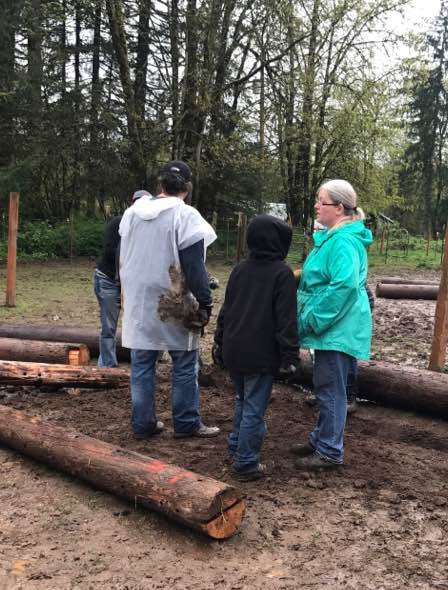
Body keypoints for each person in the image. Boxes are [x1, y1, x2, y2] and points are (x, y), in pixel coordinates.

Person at [118, 160, 219, 439]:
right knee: (184, 361)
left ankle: (143, 424)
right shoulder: (186, 217)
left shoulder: (132, 213)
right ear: (187, 188)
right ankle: (186, 423)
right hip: (172, 296)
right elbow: (194, 265)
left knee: (142, 361)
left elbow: (122, 255)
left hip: (139, 297)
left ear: (160, 185)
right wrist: (205, 300)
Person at [293, 179, 373, 469]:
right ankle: (321, 439)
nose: (316, 205)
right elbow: (326, 274)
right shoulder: (334, 237)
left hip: (337, 326)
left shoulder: (342, 241)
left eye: (321, 201)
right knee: (326, 386)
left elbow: (344, 286)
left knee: (331, 389)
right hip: (335, 325)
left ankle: (329, 450)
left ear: (339, 208)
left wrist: (312, 319)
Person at [212, 215, 299, 477]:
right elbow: (286, 319)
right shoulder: (282, 274)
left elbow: (226, 310)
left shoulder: (239, 269)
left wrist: (218, 341)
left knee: (242, 399)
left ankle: (237, 444)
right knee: (254, 408)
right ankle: (246, 462)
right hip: (260, 353)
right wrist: (290, 356)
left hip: (234, 348)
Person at [94, 189, 149, 368]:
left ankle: (138, 364)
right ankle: (107, 366)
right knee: (109, 326)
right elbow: (111, 252)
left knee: (135, 325)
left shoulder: (147, 228)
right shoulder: (117, 223)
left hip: (132, 282)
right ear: (132, 203)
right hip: (109, 280)